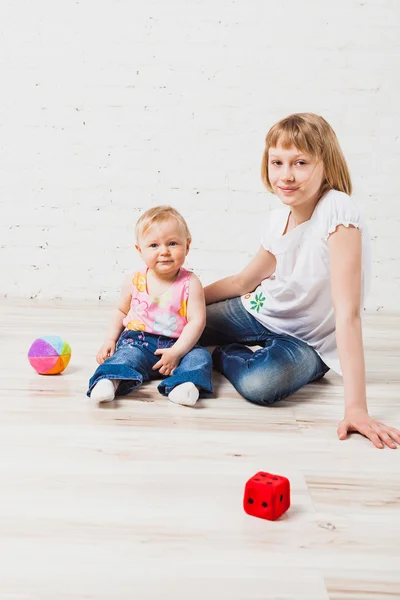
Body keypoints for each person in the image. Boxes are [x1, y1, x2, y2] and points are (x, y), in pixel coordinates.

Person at [201, 112, 400, 449]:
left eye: (300, 163)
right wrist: (187, 300)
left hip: (309, 341)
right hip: (262, 309)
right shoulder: (279, 217)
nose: (286, 176)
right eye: (277, 162)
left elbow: (347, 313)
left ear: (326, 165)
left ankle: (222, 355)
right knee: (181, 324)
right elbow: (244, 281)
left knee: (261, 384)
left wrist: (356, 408)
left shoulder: (337, 212)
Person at [87, 205, 212, 406]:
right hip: (138, 341)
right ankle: (109, 380)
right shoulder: (134, 280)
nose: (164, 251)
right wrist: (110, 339)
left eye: (172, 243)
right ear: (140, 250)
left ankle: (186, 385)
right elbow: (120, 310)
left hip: (178, 344)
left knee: (200, 357)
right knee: (126, 355)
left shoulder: (191, 282)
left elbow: (196, 321)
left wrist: (178, 352)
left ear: (187, 246)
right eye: (154, 245)